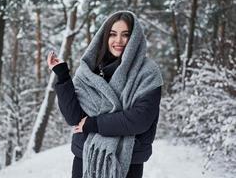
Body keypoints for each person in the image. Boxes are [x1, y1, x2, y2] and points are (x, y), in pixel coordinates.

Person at [47, 11, 163, 178]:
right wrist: (63, 76)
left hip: (128, 161)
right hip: (86, 156)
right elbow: (74, 118)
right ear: (104, 37)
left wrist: (95, 124)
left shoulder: (147, 73)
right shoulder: (89, 71)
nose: (118, 41)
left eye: (125, 35)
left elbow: (140, 119)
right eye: (112, 34)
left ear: (135, 38)